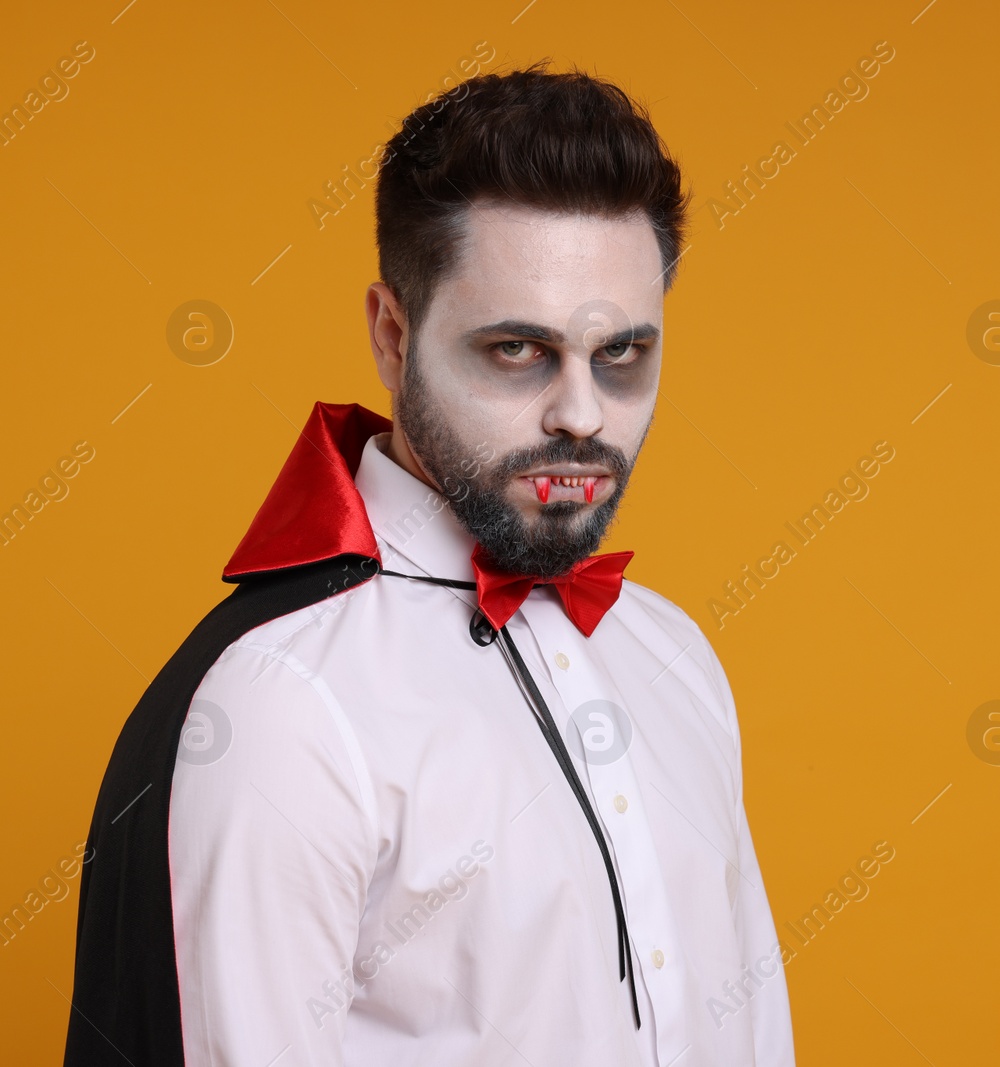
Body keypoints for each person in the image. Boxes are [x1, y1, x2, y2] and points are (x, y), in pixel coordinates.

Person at [65, 62, 795, 1067]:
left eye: (622, 354)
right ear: (392, 334)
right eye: (515, 351)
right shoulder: (281, 705)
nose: (581, 413)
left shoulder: (674, 655)